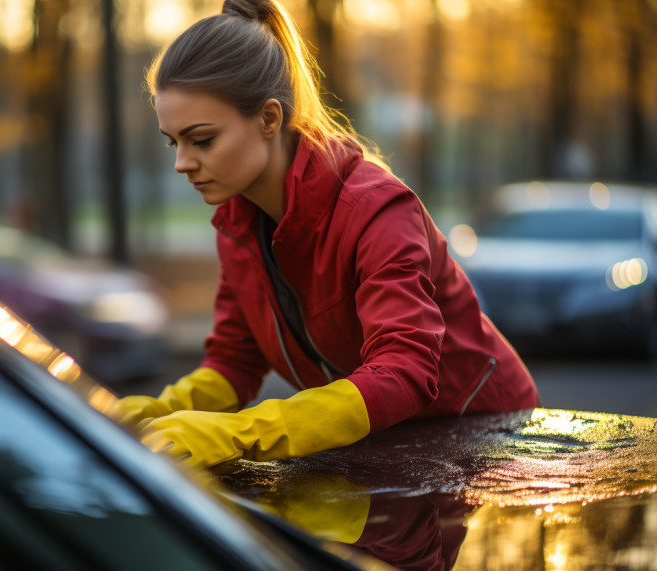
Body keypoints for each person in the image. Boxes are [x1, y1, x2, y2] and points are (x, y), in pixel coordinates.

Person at [110, 0, 540, 468]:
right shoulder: (237, 222)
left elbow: (405, 370)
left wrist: (245, 433)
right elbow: (236, 362)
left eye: (202, 139)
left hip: (490, 449)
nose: (182, 163)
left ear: (269, 119)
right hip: (389, 453)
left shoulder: (378, 210)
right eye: (174, 142)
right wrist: (152, 414)